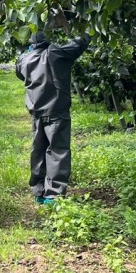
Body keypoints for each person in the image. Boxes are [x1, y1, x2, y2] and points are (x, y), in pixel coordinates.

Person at [15, 29, 90, 204]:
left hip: (36, 112)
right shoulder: (56, 53)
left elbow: (20, 74)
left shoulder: (24, 59)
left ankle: (38, 191)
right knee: (58, 151)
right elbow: (79, 43)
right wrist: (88, 27)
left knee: (38, 150)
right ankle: (54, 194)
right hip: (56, 111)